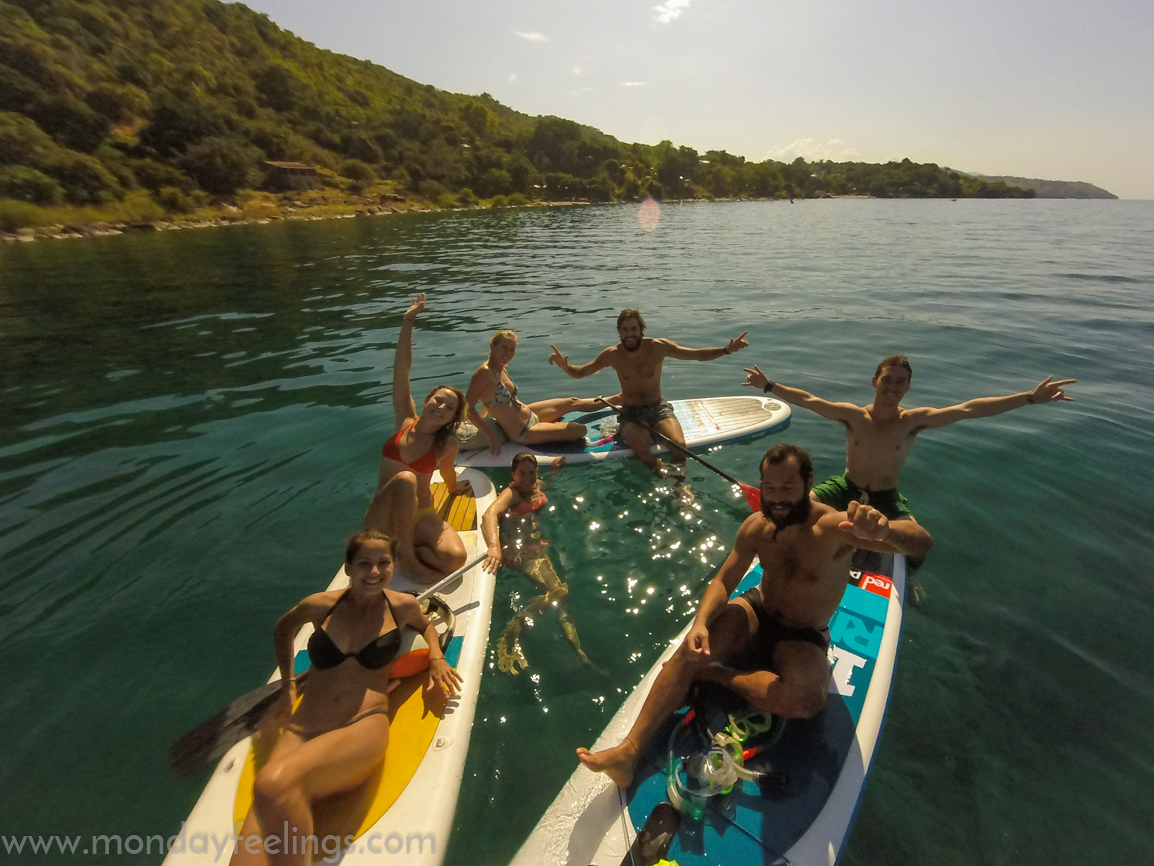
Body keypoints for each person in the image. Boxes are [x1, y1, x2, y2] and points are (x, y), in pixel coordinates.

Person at [576, 443, 921, 788]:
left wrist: (886, 531)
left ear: (809, 482)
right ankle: (628, 752)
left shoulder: (834, 529)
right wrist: (700, 624)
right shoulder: (757, 526)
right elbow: (724, 579)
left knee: (805, 701)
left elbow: (920, 543)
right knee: (688, 651)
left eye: (788, 487)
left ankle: (713, 676)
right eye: (770, 488)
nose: (778, 498)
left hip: (801, 635)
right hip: (756, 611)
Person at [231, 530, 462, 866]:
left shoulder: (402, 605)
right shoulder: (318, 605)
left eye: (383, 563)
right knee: (252, 838)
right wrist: (287, 685)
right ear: (349, 567)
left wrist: (437, 658)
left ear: (392, 565)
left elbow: (426, 626)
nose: (374, 572)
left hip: (361, 726)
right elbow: (282, 628)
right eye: (364, 563)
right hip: (302, 728)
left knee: (270, 783)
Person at [742, 354, 1076, 561]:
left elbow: (969, 409)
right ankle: (779, 550)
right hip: (845, 486)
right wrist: (769, 385)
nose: (892, 386)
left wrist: (1030, 398)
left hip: (885, 496)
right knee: (796, 509)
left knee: (915, 546)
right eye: (887, 379)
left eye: (900, 382)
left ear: (907, 387)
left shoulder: (913, 421)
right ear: (875, 381)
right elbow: (809, 399)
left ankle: (907, 583)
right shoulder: (854, 416)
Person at [549, 309, 749, 496]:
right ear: (619, 332)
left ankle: (680, 485)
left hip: (658, 408)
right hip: (631, 414)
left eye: (634, 329)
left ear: (641, 330)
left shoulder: (658, 347)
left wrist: (727, 350)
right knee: (644, 454)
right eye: (625, 329)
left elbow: (695, 355)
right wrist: (565, 367)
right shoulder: (612, 355)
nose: (629, 334)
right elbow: (581, 372)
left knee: (679, 446)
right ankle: (669, 481)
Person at [363, 293, 470, 585]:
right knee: (406, 480)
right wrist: (408, 321)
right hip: (383, 517)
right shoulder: (404, 420)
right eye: (438, 400)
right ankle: (408, 560)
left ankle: (403, 548)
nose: (441, 407)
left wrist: (454, 488)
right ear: (427, 400)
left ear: (451, 419)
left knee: (456, 559)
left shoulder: (447, 444)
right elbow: (402, 369)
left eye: (449, 408)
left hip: (421, 515)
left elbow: (447, 470)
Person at [481, 452, 597, 673]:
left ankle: (578, 650)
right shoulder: (511, 493)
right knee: (560, 591)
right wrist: (494, 546)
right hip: (520, 553)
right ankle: (509, 634)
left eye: (531, 473)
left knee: (561, 600)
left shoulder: (534, 487)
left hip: (537, 549)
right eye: (521, 473)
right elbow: (489, 514)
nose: (527, 477)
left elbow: (542, 489)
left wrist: (555, 473)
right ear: (513, 473)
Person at [460, 329, 606, 454]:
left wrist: (483, 416)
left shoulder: (503, 367)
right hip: (523, 432)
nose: (508, 353)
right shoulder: (483, 373)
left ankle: (618, 399)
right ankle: (552, 428)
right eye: (504, 347)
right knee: (580, 430)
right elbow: (468, 407)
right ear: (492, 346)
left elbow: (488, 398)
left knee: (572, 401)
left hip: (531, 414)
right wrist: (489, 435)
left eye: (512, 349)